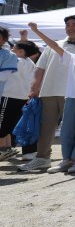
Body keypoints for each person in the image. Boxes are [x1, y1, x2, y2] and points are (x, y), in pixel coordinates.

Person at [27, 22, 75, 174]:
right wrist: (36, 30)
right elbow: (52, 45)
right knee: (66, 130)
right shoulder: (72, 58)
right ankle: (67, 159)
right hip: (71, 97)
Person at [19, 15, 75, 172]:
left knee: (72, 128)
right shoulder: (53, 45)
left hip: (73, 94)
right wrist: (34, 88)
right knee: (45, 127)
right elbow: (40, 68)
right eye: (67, 24)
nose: (70, 27)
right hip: (48, 91)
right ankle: (42, 158)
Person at [0, 31, 34, 160]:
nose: (12, 49)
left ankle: (3, 149)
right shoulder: (30, 62)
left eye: (15, 48)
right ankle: (6, 148)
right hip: (23, 97)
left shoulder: (14, 60)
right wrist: (24, 38)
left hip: (9, 95)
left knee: (3, 124)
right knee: (9, 124)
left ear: (21, 52)